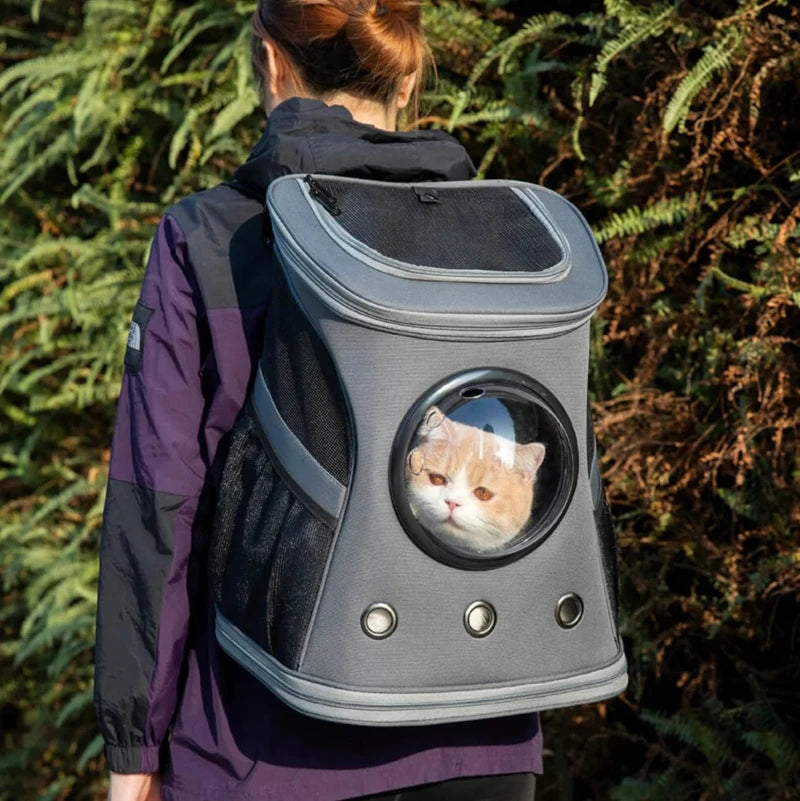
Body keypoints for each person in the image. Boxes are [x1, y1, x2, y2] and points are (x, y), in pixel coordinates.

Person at [93, 1, 542, 799]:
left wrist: (134, 745)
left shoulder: (212, 237)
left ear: (270, 63)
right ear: (408, 76)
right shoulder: (503, 236)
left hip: (265, 742)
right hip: (481, 734)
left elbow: (156, 504)